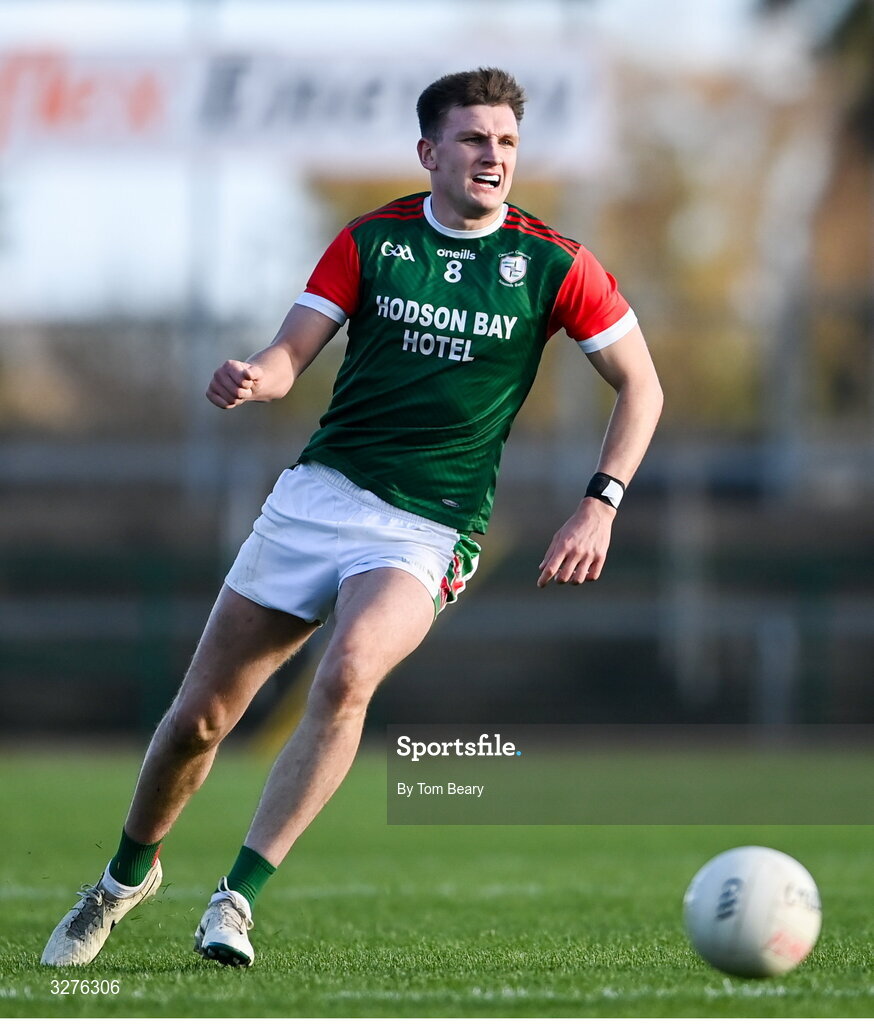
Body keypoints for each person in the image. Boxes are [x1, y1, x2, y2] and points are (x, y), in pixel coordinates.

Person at [41, 67, 663, 969]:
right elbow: (292, 353)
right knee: (200, 720)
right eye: (474, 139)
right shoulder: (372, 242)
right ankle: (123, 880)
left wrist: (599, 505)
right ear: (429, 152)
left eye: (507, 142)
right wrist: (256, 378)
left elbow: (641, 385)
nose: (494, 157)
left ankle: (235, 901)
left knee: (349, 673)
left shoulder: (557, 264)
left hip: (430, 527)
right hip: (319, 497)